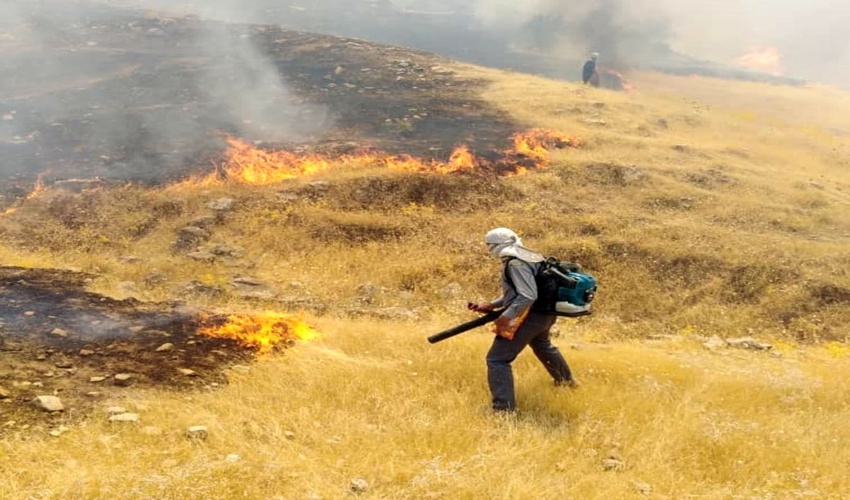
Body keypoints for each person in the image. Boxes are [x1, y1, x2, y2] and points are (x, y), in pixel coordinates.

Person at [468, 227, 578, 413]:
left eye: (489, 246)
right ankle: (567, 383)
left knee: (497, 359)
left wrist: (505, 317)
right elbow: (519, 292)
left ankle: (503, 410)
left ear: (496, 245)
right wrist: (492, 305)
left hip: (528, 316)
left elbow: (527, 296)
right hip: (545, 314)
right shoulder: (532, 256)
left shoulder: (515, 263)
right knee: (543, 346)